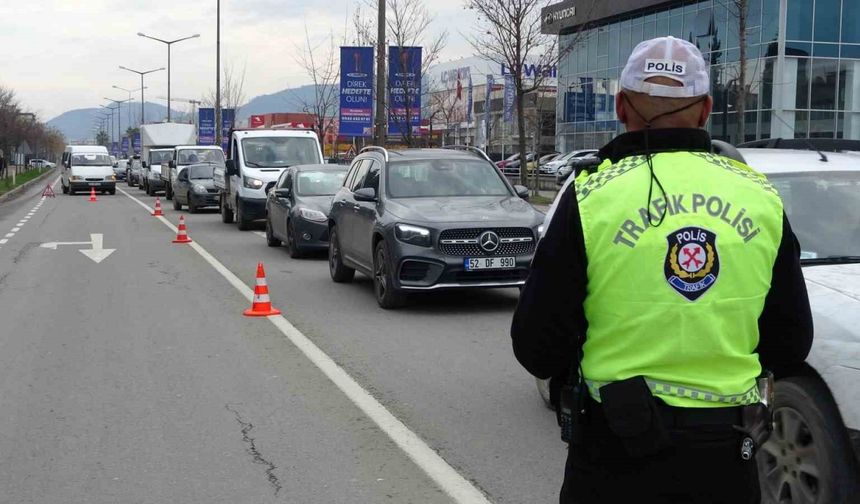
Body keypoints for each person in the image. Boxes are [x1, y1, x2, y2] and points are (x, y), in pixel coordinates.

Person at [511, 36, 813, 504]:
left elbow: (536, 345)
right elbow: (791, 342)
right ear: (707, 109)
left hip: (613, 455)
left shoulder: (589, 197)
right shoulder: (760, 197)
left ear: (621, 107)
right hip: (726, 458)